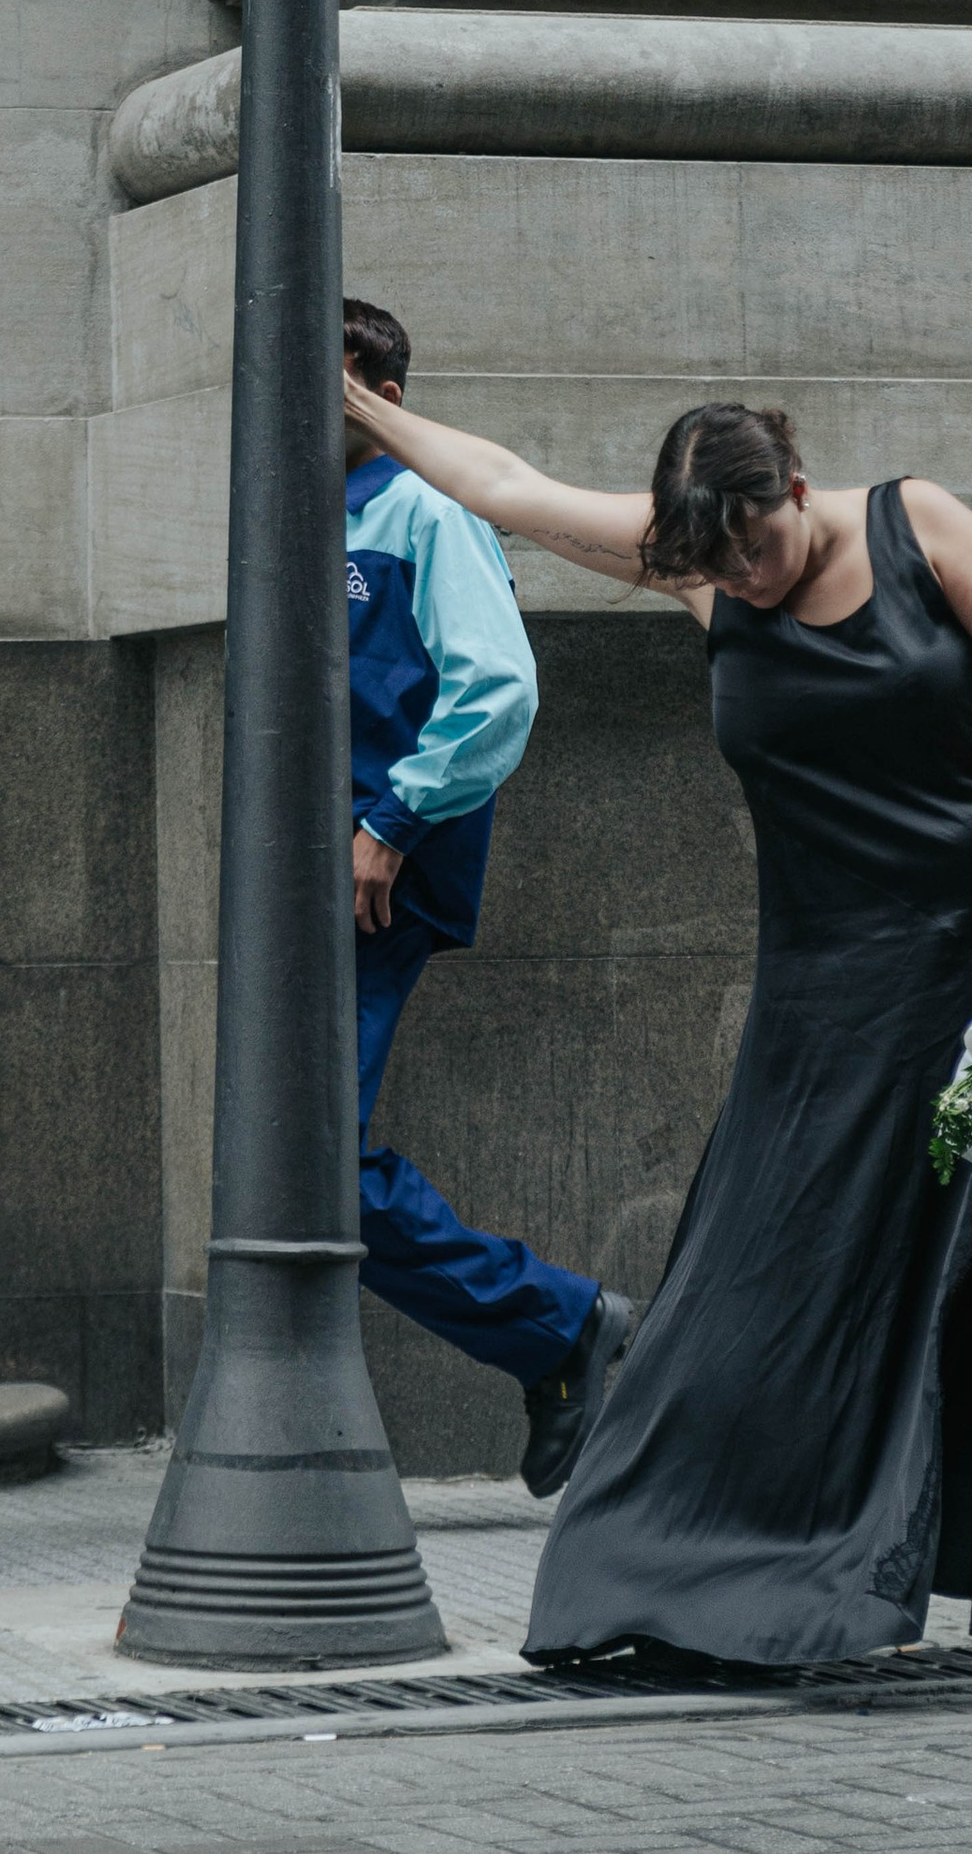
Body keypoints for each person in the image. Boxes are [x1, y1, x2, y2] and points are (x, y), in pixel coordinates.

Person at [337, 378, 972, 1668]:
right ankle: (684, 1570)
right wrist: (364, 404)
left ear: (796, 491)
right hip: (824, 989)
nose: (746, 581)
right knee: (754, 1281)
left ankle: (901, 1570)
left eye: (757, 547)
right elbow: (504, 482)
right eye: (717, 564)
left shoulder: (917, 525)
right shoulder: (703, 572)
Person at [341, 298, 632, 1494]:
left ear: (385, 400)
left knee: (307, 1167)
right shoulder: (312, 520)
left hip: (371, 878)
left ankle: (561, 1325)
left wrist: (393, 821)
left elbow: (497, 689)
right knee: (305, 1165)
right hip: (319, 883)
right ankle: (555, 1330)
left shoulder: (424, 510)